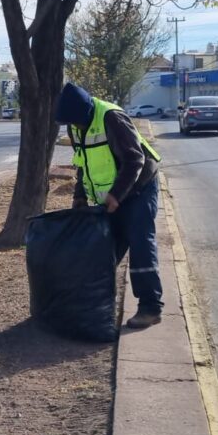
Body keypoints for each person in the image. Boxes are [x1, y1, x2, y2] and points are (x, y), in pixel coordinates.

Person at [55, 83, 164, 329]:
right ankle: (95, 305)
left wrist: (116, 195)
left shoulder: (111, 118)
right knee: (104, 248)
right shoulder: (76, 125)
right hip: (112, 195)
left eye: (75, 122)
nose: (74, 127)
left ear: (84, 113)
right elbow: (81, 162)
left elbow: (135, 159)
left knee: (139, 242)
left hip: (139, 188)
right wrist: (80, 195)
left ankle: (150, 307)